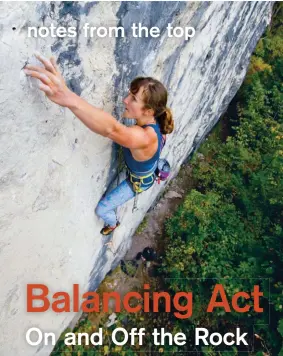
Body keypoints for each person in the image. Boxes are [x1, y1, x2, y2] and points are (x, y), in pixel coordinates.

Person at [24, 53, 174, 235]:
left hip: (139, 181)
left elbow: (112, 130)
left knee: (102, 209)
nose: (125, 100)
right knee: (127, 126)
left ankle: (113, 223)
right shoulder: (153, 119)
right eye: (129, 94)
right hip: (143, 159)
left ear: (149, 111)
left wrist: (69, 98)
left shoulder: (144, 138)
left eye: (133, 99)